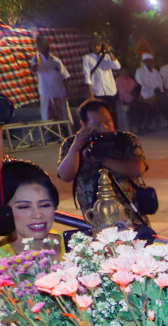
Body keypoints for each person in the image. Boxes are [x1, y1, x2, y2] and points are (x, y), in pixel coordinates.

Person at [55, 99, 152, 234]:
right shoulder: (72, 143)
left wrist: (101, 159)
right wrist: (76, 148)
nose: (105, 127)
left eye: (108, 122)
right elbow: (65, 176)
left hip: (130, 217)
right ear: (84, 124)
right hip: (94, 218)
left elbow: (138, 169)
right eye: (97, 124)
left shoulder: (126, 140)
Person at [0, 160, 63, 258]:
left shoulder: (76, 245)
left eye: (45, 205)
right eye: (24, 207)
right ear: (2, 213)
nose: (38, 215)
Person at [29, 38, 70, 123]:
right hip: (45, 92)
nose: (43, 48)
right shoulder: (35, 59)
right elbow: (33, 71)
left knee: (61, 115)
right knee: (48, 116)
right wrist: (37, 64)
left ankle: (65, 131)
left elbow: (65, 76)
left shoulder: (55, 60)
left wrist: (68, 90)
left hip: (59, 91)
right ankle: (52, 134)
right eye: (40, 46)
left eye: (45, 46)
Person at [82, 41, 121, 111]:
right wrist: (91, 94)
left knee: (112, 113)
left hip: (110, 90)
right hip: (98, 91)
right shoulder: (87, 58)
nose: (96, 47)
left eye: (98, 45)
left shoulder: (107, 57)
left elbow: (117, 66)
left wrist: (109, 52)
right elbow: (87, 77)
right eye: (94, 45)